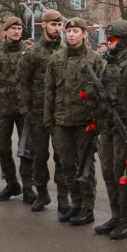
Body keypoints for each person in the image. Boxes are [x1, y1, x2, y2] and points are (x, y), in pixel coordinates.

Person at [44, 18, 105, 225]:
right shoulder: (56, 58)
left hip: (84, 122)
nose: (71, 34)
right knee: (66, 165)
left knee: (85, 167)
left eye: (75, 31)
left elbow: (102, 93)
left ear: (84, 34)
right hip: (62, 120)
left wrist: (97, 121)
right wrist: (49, 119)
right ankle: (75, 204)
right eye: (68, 31)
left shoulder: (94, 59)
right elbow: (50, 90)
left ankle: (88, 208)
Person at [93, 19, 127, 239]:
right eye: (108, 38)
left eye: (113, 39)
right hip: (107, 129)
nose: (109, 42)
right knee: (108, 174)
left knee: (122, 176)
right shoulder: (105, 64)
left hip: (126, 132)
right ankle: (115, 216)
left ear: (125, 41)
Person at [18, 9, 67, 212]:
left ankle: (64, 198)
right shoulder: (33, 52)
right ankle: (42, 194)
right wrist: (26, 110)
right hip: (37, 113)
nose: (56, 29)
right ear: (43, 26)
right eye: (53, 25)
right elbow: (22, 82)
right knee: (39, 156)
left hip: (60, 114)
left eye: (59, 25)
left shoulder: (65, 50)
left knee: (61, 156)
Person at [0, 16, 35, 201]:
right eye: (12, 28)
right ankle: (12, 184)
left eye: (19, 29)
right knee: (3, 149)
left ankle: (28, 187)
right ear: (5, 31)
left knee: (26, 150)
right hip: (2, 109)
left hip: (24, 109)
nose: (16, 32)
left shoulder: (29, 51)